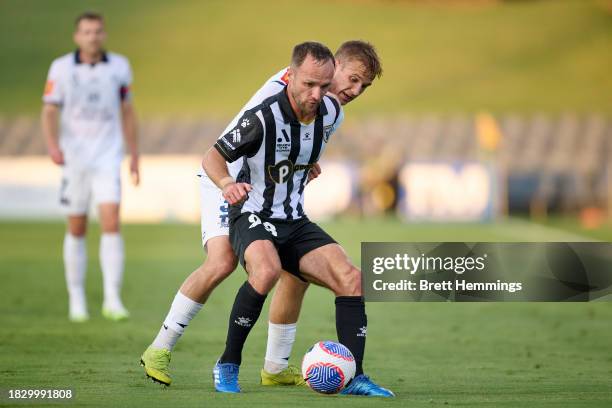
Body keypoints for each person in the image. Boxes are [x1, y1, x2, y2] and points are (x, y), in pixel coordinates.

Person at [140, 40, 383, 390]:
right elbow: (242, 140)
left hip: (272, 189)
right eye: (353, 78)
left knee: (295, 272)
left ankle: (276, 367)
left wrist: (303, 162)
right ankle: (160, 348)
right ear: (334, 66)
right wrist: (228, 182)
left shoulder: (329, 109)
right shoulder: (281, 90)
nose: (356, 90)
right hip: (229, 178)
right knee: (224, 261)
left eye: (365, 86)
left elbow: (297, 140)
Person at [41, 12, 139, 322]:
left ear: (103, 34)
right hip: (75, 158)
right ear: (77, 37)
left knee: (111, 222)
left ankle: (112, 299)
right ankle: (77, 300)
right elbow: (48, 110)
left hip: (108, 156)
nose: (92, 37)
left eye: (97, 31)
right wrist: (53, 145)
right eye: (86, 32)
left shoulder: (120, 66)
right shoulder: (60, 67)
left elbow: (127, 111)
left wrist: (134, 154)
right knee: (77, 226)